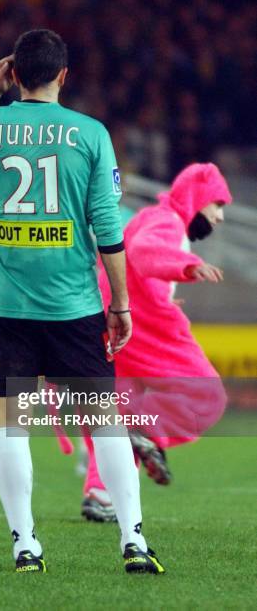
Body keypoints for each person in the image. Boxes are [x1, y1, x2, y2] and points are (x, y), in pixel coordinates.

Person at [0, 29, 165, 574]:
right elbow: (107, 225)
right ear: (64, 76)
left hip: (10, 307)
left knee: (11, 421)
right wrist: (121, 303)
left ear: (14, 73)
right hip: (73, 304)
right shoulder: (91, 134)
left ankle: (25, 546)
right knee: (104, 418)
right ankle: (133, 541)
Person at [80, 162, 232, 518]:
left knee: (115, 400)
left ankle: (101, 493)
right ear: (197, 198)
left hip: (108, 317)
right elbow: (147, 252)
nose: (220, 217)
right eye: (218, 204)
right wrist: (187, 265)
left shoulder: (150, 215)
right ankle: (139, 427)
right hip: (144, 324)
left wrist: (162, 290)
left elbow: (130, 261)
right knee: (206, 396)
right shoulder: (167, 221)